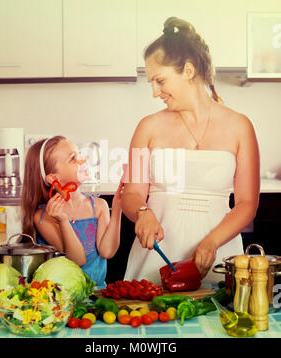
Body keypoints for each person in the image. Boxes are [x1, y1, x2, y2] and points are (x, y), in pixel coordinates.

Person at [122, 17, 260, 285]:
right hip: (155, 257)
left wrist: (211, 243)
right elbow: (133, 192)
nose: (154, 92)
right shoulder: (147, 128)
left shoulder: (240, 127)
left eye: (160, 81)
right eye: (151, 82)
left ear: (187, 70)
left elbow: (246, 203)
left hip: (217, 256)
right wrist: (142, 211)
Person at [21, 135, 123, 288]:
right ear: (53, 178)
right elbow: (77, 260)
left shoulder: (99, 206)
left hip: (99, 292)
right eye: (73, 159)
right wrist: (63, 220)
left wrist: (118, 208)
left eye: (80, 154)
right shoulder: (43, 217)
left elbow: (107, 252)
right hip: (65, 296)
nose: (83, 160)